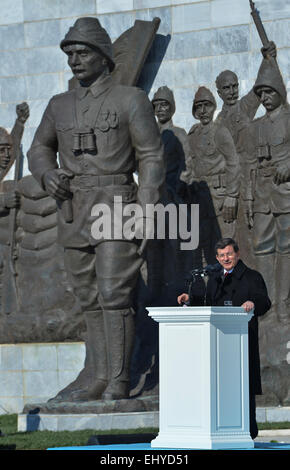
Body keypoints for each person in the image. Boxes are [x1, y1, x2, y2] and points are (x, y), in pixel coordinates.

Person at [28, 17, 165, 401]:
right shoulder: (59, 105)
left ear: (104, 57)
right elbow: (38, 148)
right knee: (88, 294)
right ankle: (98, 376)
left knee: (114, 290)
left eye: (83, 52)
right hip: (73, 206)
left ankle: (119, 379)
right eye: (70, 54)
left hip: (117, 202)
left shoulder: (130, 99)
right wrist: (46, 174)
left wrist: (148, 202)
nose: (75, 60)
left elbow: (151, 155)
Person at [177, 237, 271, 440]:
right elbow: (208, 305)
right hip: (218, 344)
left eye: (229, 254)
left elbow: (264, 301)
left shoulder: (251, 277)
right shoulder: (216, 279)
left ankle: (247, 431)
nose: (225, 258)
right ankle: (221, 430)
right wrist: (190, 300)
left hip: (242, 340)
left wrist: (251, 303)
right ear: (217, 258)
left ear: (237, 254)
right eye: (221, 255)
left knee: (242, 386)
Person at [248, 55, 290, 323]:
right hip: (262, 193)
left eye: (269, 91)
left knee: (287, 248)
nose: (264, 97)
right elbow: (249, 165)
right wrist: (249, 198)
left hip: (286, 193)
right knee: (261, 247)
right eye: (260, 92)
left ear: (280, 91)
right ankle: (267, 302)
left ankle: (283, 304)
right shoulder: (257, 126)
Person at [180, 86, 240, 267]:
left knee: (226, 250)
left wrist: (232, 195)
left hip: (220, 198)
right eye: (199, 107)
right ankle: (210, 293)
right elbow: (188, 167)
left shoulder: (220, 131)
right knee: (205, 251)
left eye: (207, 105)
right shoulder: (192, 135)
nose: (203, 110)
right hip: (199, 199)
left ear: (214, 107)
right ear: (195, 111)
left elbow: (233, 162)